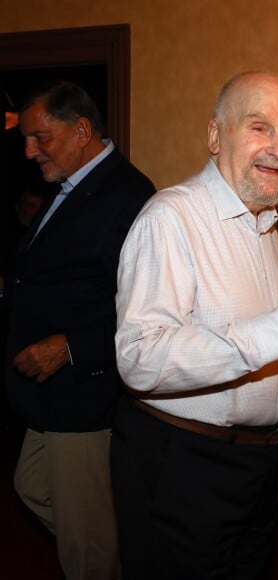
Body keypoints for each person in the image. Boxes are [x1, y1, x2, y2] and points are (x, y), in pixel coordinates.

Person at [112, 71, 278, 580]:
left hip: (255, 471)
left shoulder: (264, 227)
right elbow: (139, 357)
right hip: (183, 469)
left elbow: (251, 339)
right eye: (259, 128)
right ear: (215, 136)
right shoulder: (170, 218)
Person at [2, 80, 155, 580]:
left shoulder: (129, 194)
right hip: (52, 398)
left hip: (85, 391)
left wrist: (71, 347)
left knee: (85, 549)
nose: (29, 151)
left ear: (82, 129)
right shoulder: (65, 187)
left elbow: (146, 304)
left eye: (40, 137)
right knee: (33, 489)